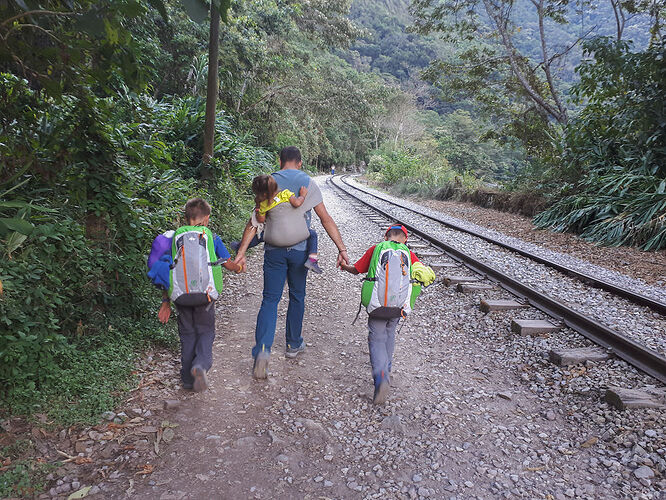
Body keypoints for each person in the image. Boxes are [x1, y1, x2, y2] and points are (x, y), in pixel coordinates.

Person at [233, 146, 350, 379]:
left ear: (280, 160)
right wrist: (342, 249)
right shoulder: (307, 181)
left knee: (270, 299)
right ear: (300, 162)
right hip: (299, 251)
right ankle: (293, 345)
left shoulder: (268, 183)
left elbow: (254, 222)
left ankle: (262, 353)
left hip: (274, 251)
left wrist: (241, 252)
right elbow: (325, 219)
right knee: (297, 296)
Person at [148, 198, 243, 392]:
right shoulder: (212, 238)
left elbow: (167, 269)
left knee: (187, 334)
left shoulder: (175, 238)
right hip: (205, 296)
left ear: (184, 218)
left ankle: (187, 380)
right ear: (207, 218)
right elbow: (228, 264)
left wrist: (165, 302)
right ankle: (200, 365)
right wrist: (239, 267)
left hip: (181, 297)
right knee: (206, 331)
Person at [340, 225, 425, 405]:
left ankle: (381, 376)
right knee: (390, 334)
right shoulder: (409, 253)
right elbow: (421, 274)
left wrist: (344, 266)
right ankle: (387, 370)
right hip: (398, 306)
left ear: (386, 237)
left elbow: (356, 269)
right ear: (405, 239)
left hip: (378, 305)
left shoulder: (376, 249)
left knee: (377, 337)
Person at [231, 174, 323, 274]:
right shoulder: (285, 194)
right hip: (295, 233)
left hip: (274, 236)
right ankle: (312, 260)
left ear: (262, 194)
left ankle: (240, 246)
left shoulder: (264, 204)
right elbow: (297, 203)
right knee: (313, 234)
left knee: (260, 235)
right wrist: (303, 195)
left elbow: (260, 220)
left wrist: (258, 207)